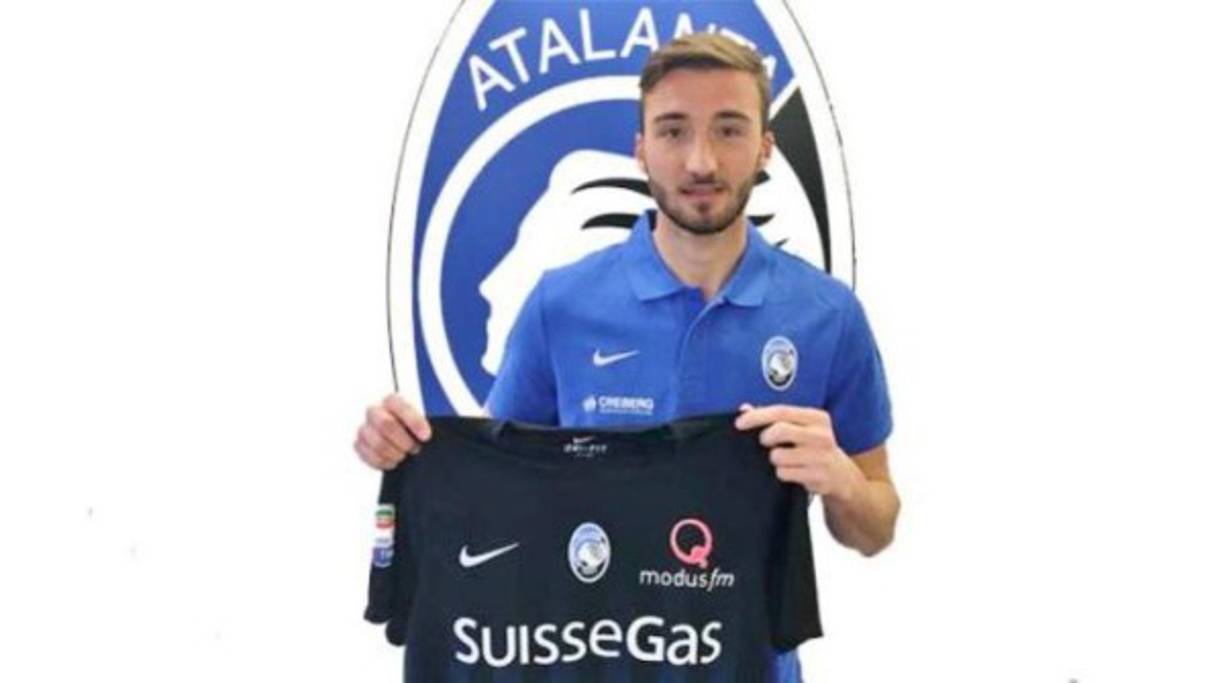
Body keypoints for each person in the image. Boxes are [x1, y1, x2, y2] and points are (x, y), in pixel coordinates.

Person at [355, 32, 900, 682]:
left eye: (729, 130)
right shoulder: (561, 304)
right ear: (641, 150)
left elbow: (877, 524)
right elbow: (499, 483)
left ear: (765, 148)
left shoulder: (829, 316)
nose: (701, 160)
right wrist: (410, 450)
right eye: (673, 131)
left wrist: (838, 477)